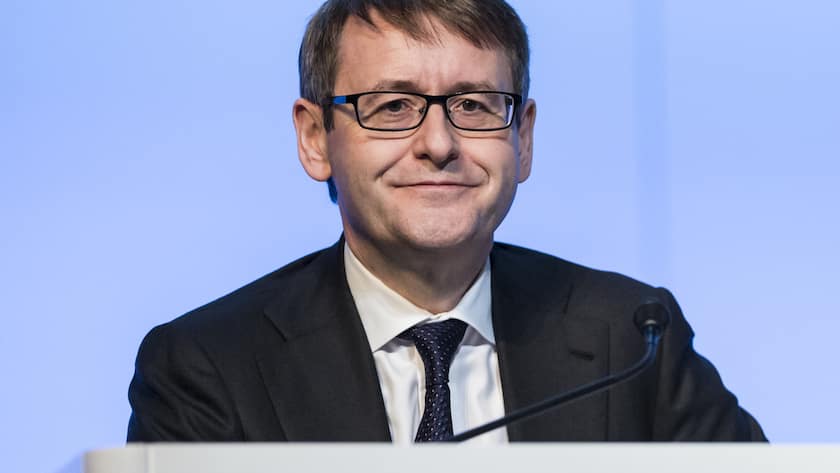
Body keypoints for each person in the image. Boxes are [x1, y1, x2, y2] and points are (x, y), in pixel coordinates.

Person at [127, 0, 765, 443]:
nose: (438, 141)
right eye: (394, 105)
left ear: (524, 138)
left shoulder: (633, 338)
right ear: (316, 138)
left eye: (474, 104)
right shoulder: (208, 364)